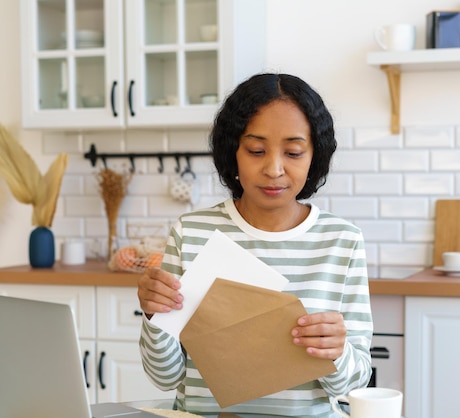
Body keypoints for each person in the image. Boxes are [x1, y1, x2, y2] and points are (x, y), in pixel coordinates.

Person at [137, 73, 373, 417]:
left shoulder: (341, 241)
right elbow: (164, 376)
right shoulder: (192, 233)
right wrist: (153, 316)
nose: (274, 169)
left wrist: (337, 351)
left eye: (293, 152)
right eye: (256, 150)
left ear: (314, 156)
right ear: (233, 151)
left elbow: (354, 386)